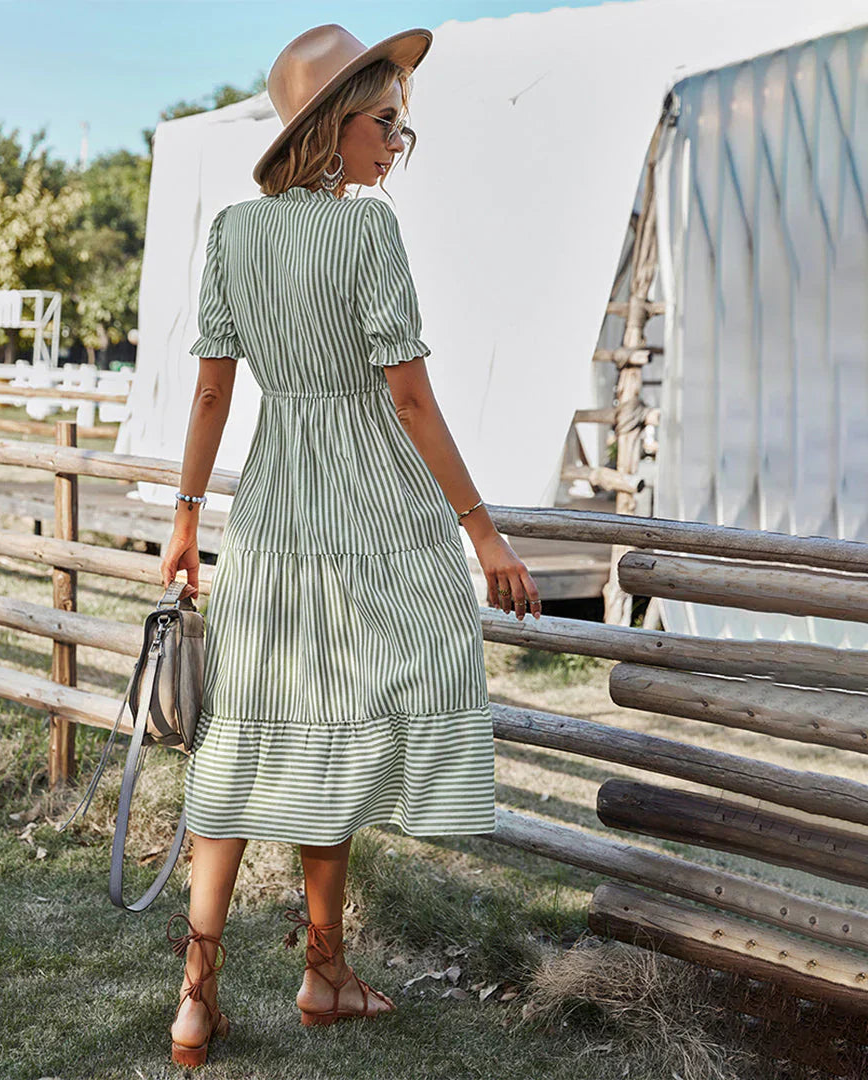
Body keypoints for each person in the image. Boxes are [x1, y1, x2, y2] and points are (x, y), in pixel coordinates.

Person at [158, 22, 540, 1068]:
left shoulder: (235, 232)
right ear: (332, 126)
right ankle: (318, 970)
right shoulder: (367, 234)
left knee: (253, 735)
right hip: (367, 505)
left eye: (402, 130)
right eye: (386, 124)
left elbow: (210, 388)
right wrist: (483, 531)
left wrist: (188, 517)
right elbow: (408, 396)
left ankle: (209, 998)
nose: (396, 146)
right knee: (354, 713)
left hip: (272, 508)